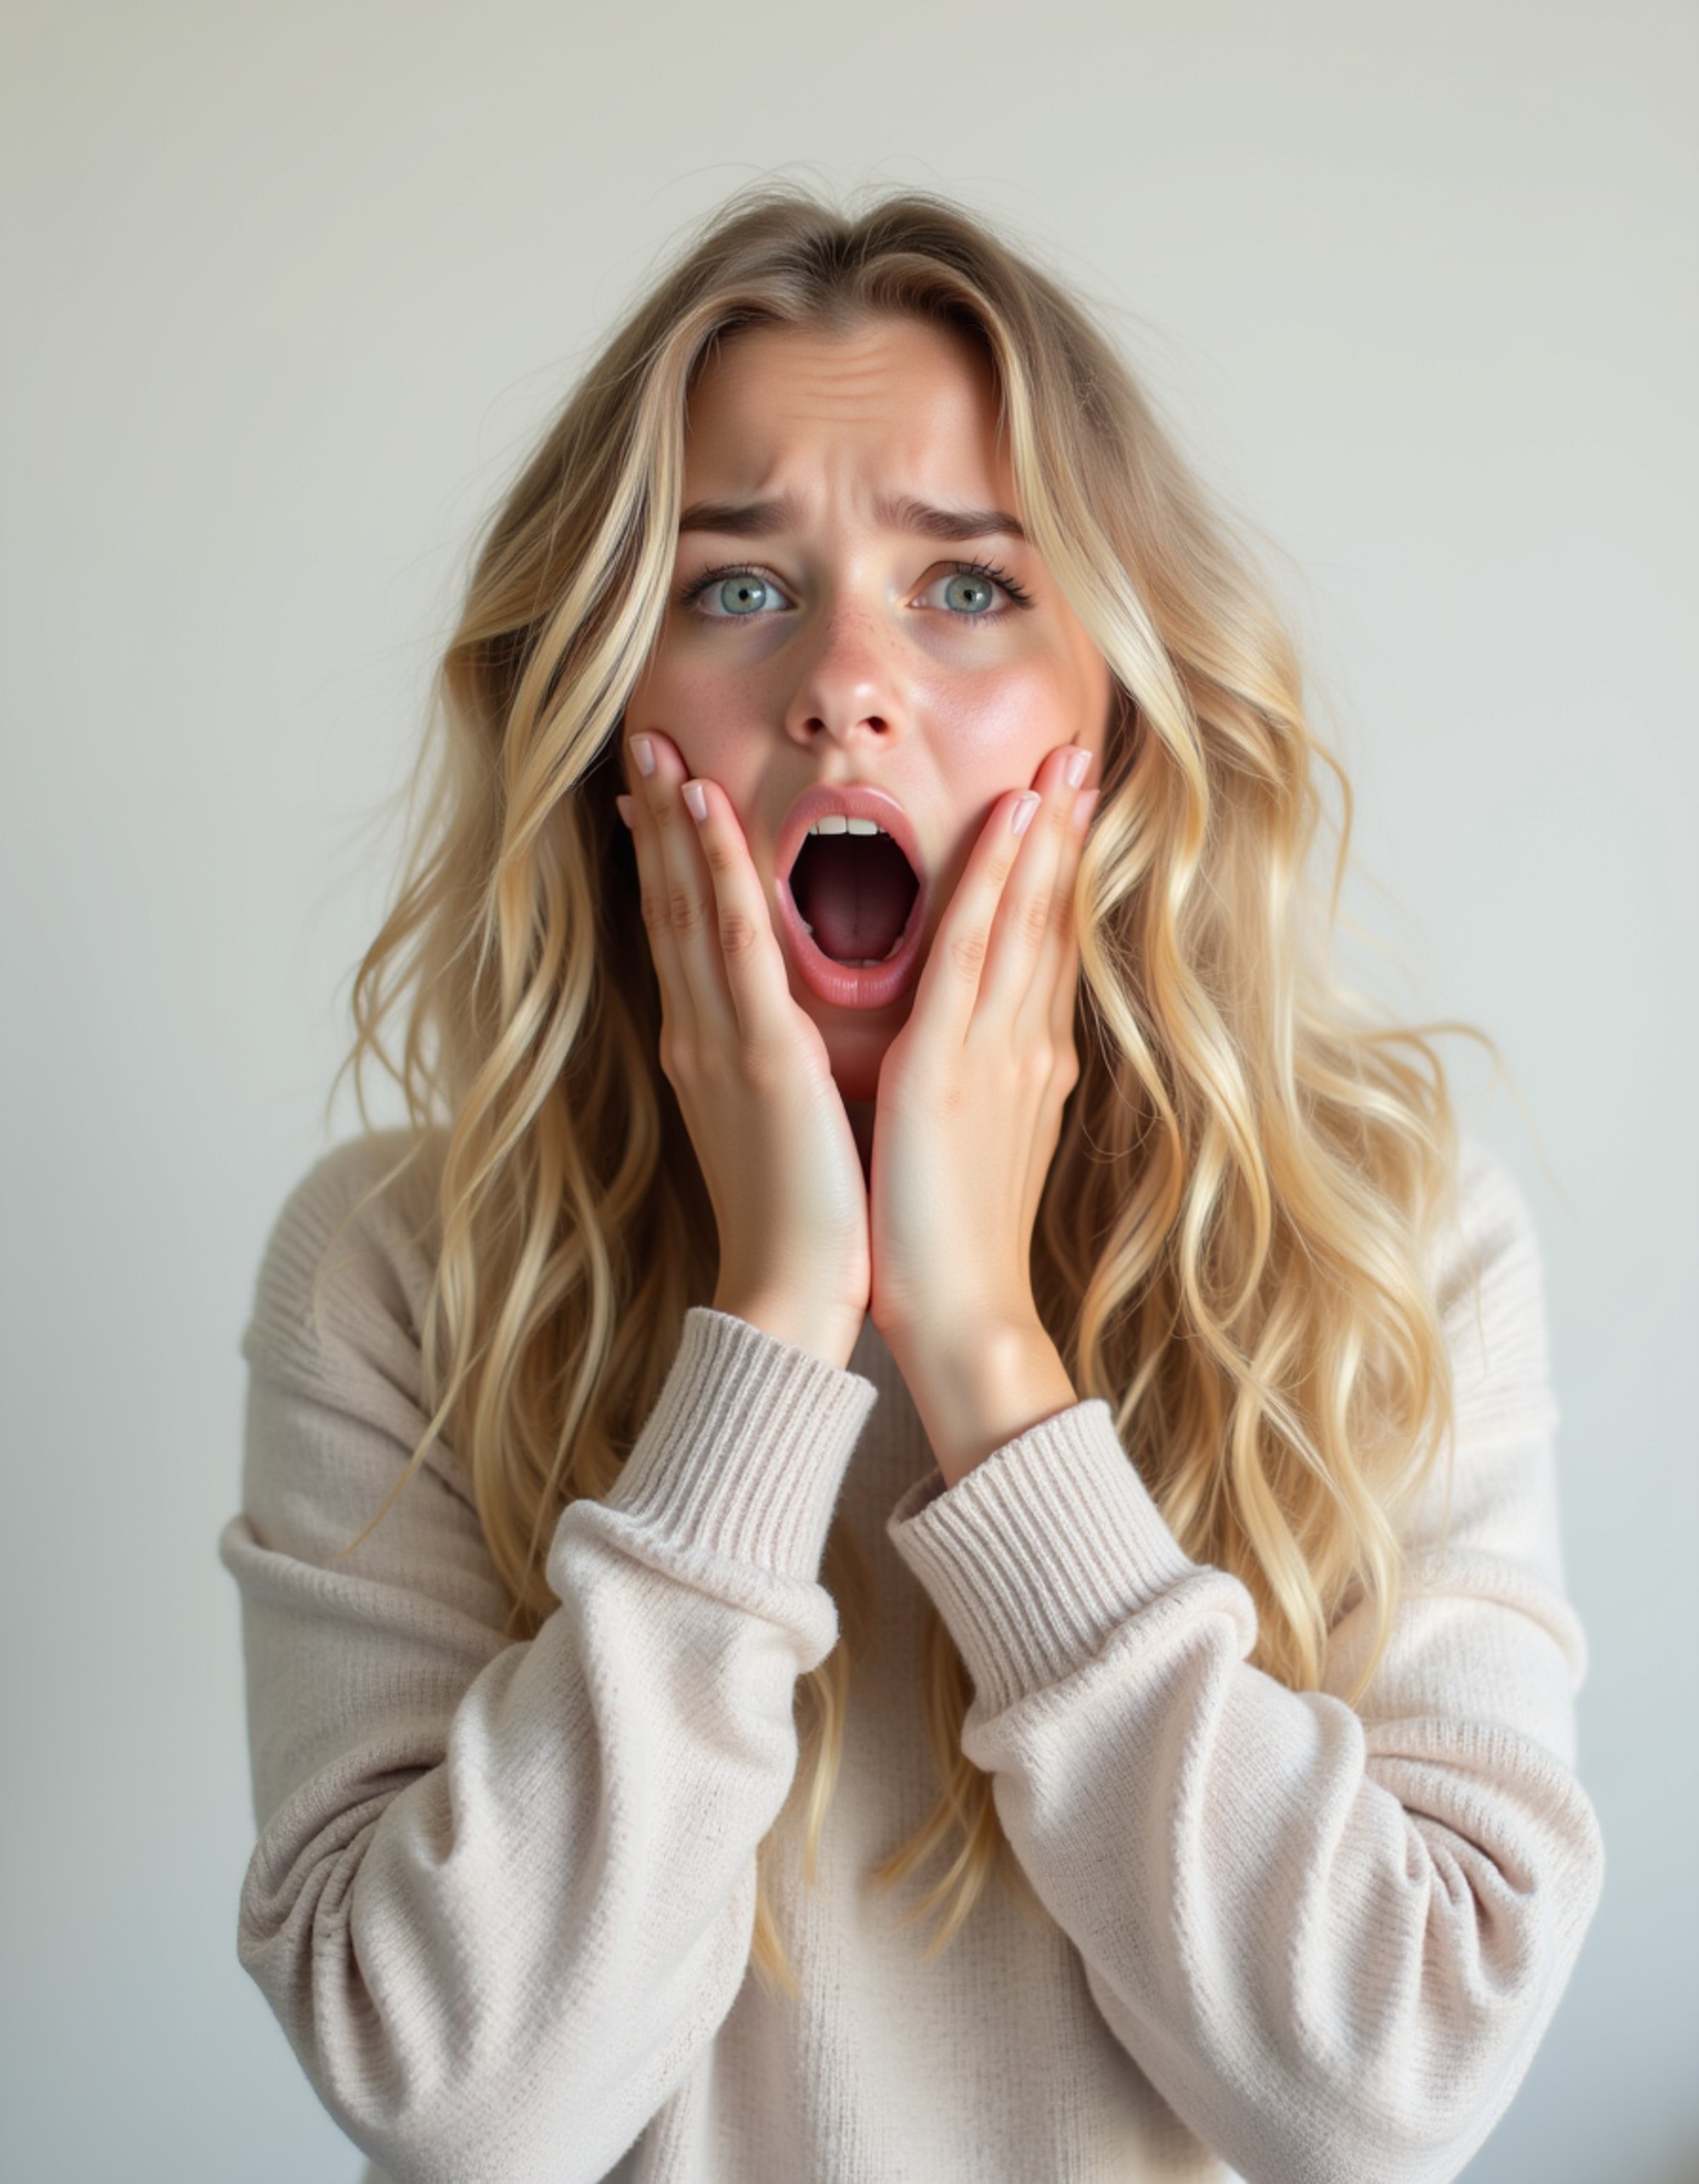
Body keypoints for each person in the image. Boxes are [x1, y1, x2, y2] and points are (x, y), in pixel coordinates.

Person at [218, 182, 1604, 2184]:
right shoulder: (399, 1269)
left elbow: (1391, 2090)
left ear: (1116, 706)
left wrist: (976, 1344)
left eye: (966, 584)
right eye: (733, 587)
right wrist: (777, 1324)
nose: (842, 683)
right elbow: (465, 2100)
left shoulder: (1380, 1237)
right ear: (605, 714)